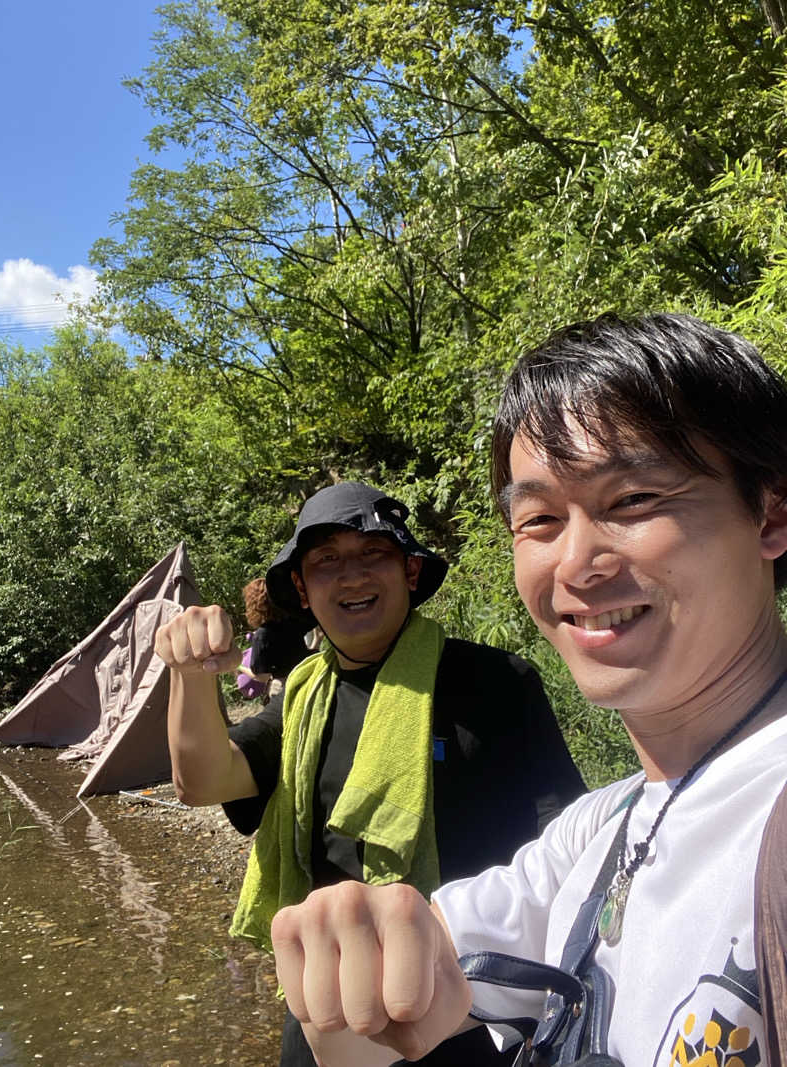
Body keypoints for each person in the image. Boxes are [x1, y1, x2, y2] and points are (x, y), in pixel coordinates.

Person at [267, 313, 787, 1067]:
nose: (576, 562)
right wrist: (353, 967)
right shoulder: (598, 832)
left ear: (770, 512)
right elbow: (369, 1028)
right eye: (539, 517)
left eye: (633, 498)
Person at [154, 480, 585, 1067]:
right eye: (326, 561)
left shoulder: (498, 683)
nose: (352, 576)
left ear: (409, 572)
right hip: (326, 1010)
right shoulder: (301, 701)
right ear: (302, 590)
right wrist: (188, 672)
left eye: (373, 554)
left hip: (468, 1012)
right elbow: (203, 782)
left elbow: (567, 856)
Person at [237, 577, 312, 702]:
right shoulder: (294, 621)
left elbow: (262, 677)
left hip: (285, 688)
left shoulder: (262, 635)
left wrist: (239, 666)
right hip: (309, 676)